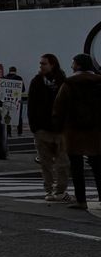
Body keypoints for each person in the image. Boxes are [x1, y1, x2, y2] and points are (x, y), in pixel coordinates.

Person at [52, 53, 101, 210]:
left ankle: (81, 200)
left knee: (76, 167)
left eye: (73, 62)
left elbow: (58, 108)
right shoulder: (99, 82)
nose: (71, 65)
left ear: (78, 65)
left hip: (73, 131)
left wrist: (57, 128)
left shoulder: (69, 84)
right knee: (99, 167)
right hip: (96, 131)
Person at [28, 53, 70, 202]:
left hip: (59, 129)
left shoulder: (62, 81)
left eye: (44, 63)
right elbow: (31, 106)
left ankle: (60, 190)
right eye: (40, 64)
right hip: (43, 129)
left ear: (52, 64)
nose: (41, 66)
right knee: (46, 163)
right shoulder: (37, 81)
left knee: (62, 163)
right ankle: (50, 190)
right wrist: (34, 127)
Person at [2, 66, 25, 137]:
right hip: (16, 100)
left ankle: (8, 133)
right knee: (18, 116)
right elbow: (23, 89)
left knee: (7, 116)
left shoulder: (4, 78)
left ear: (9, 71)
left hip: (7, 100)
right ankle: (19, 132)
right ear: (15, 71)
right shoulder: (19, 78)